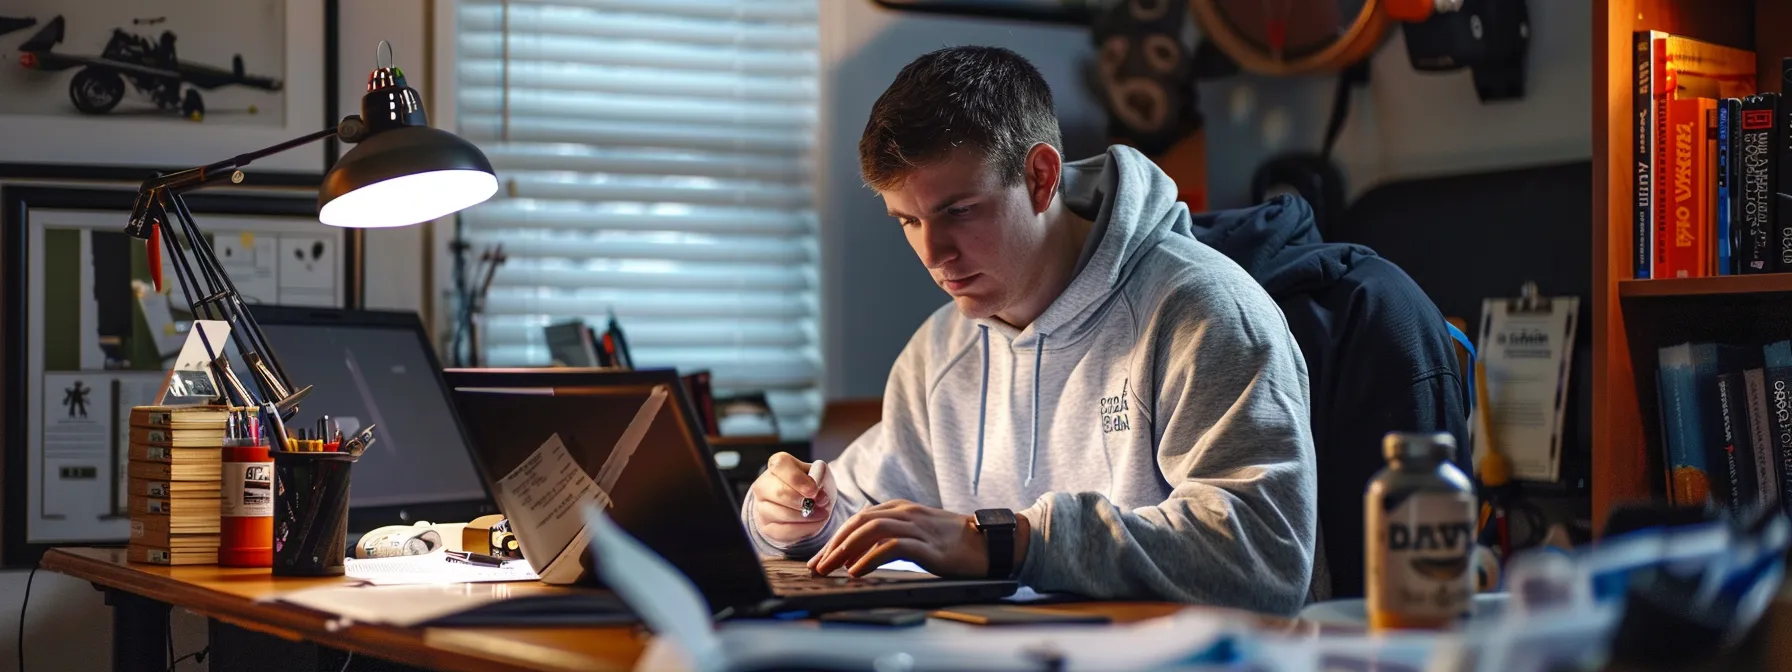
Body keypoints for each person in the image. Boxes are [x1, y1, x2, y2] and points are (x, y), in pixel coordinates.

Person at [740, 45, 1321, 614]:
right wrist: (798, 521)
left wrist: (1008, 541)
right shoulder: (939, 351)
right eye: (908, 221)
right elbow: (861, 512)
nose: (933, 254)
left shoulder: (1204, 312)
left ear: (1041, 178)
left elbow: (1264, 557)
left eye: (958, 210)